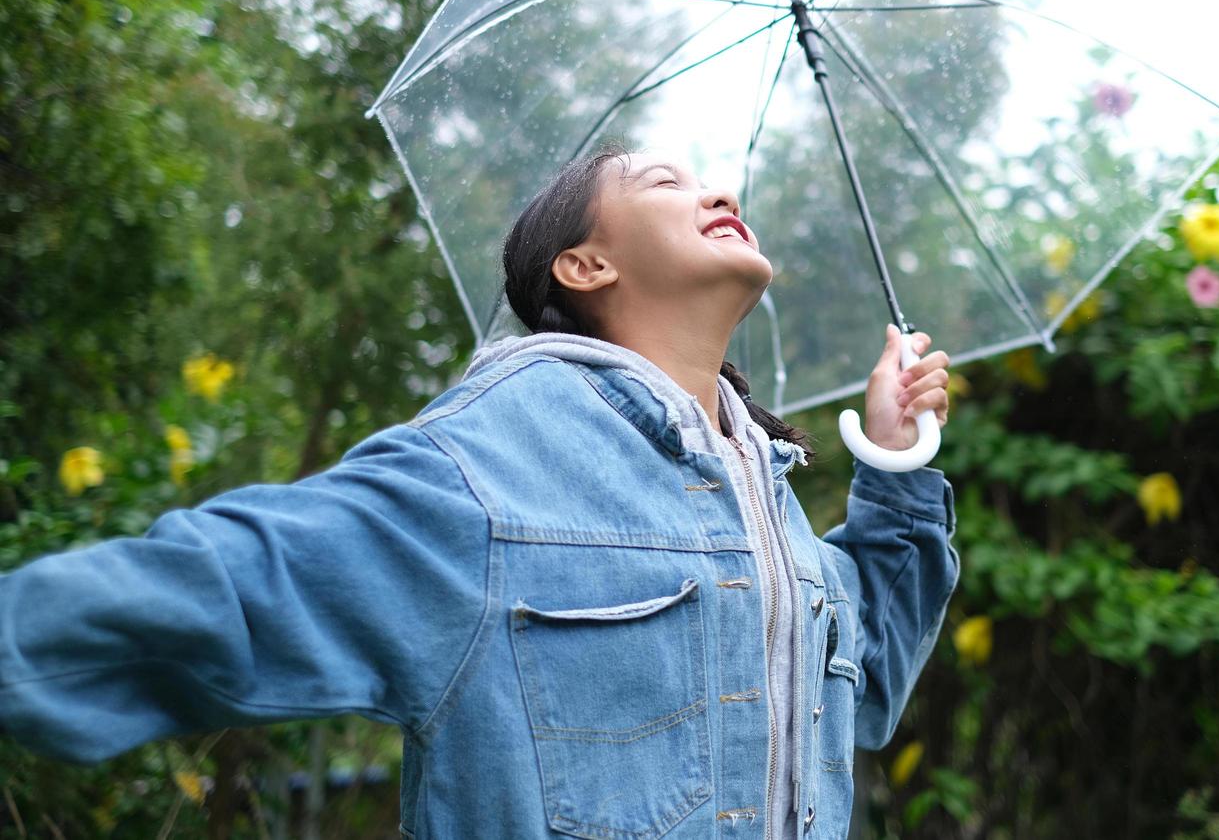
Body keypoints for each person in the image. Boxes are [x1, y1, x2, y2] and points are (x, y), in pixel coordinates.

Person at [0, 144, 960, 839]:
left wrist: (891, 460)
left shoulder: (765, 486)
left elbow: (866, 689)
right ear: (586, 264)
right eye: (663, 181)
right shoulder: (496, 459)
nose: (718, 188)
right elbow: (244, 585)